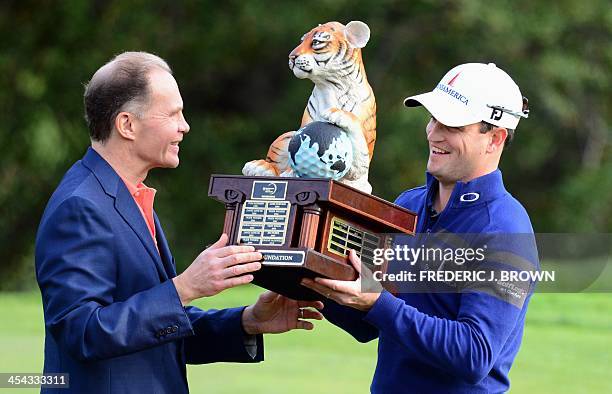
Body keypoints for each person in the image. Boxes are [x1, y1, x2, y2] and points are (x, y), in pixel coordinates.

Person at [35, 51, 323, 394]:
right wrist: (185, 287)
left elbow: (157, 331)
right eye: (173, 114)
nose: (184, 126)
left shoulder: (130, 195)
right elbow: (82, 333)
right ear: (127, 125)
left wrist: (247, 321)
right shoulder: (80, 206)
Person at [302, 63, 538, 393]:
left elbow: (474, 354)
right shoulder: (408, 206)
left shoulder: (506, 229)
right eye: (433, 118)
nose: (433, 132)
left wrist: (377, 303)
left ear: (494, 138)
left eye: (453, 125)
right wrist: (307, 281)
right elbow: (367, 324)